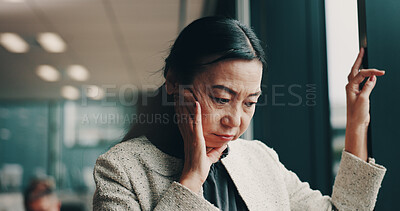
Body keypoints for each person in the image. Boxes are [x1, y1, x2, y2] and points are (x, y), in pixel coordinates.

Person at [92, 16, 386, 210]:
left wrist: (357, 123)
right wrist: (192, 178)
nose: (235, 121)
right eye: (221, 98)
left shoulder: (260, 159)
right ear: (173, 83)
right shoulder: (121, 168)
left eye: (249, 103)